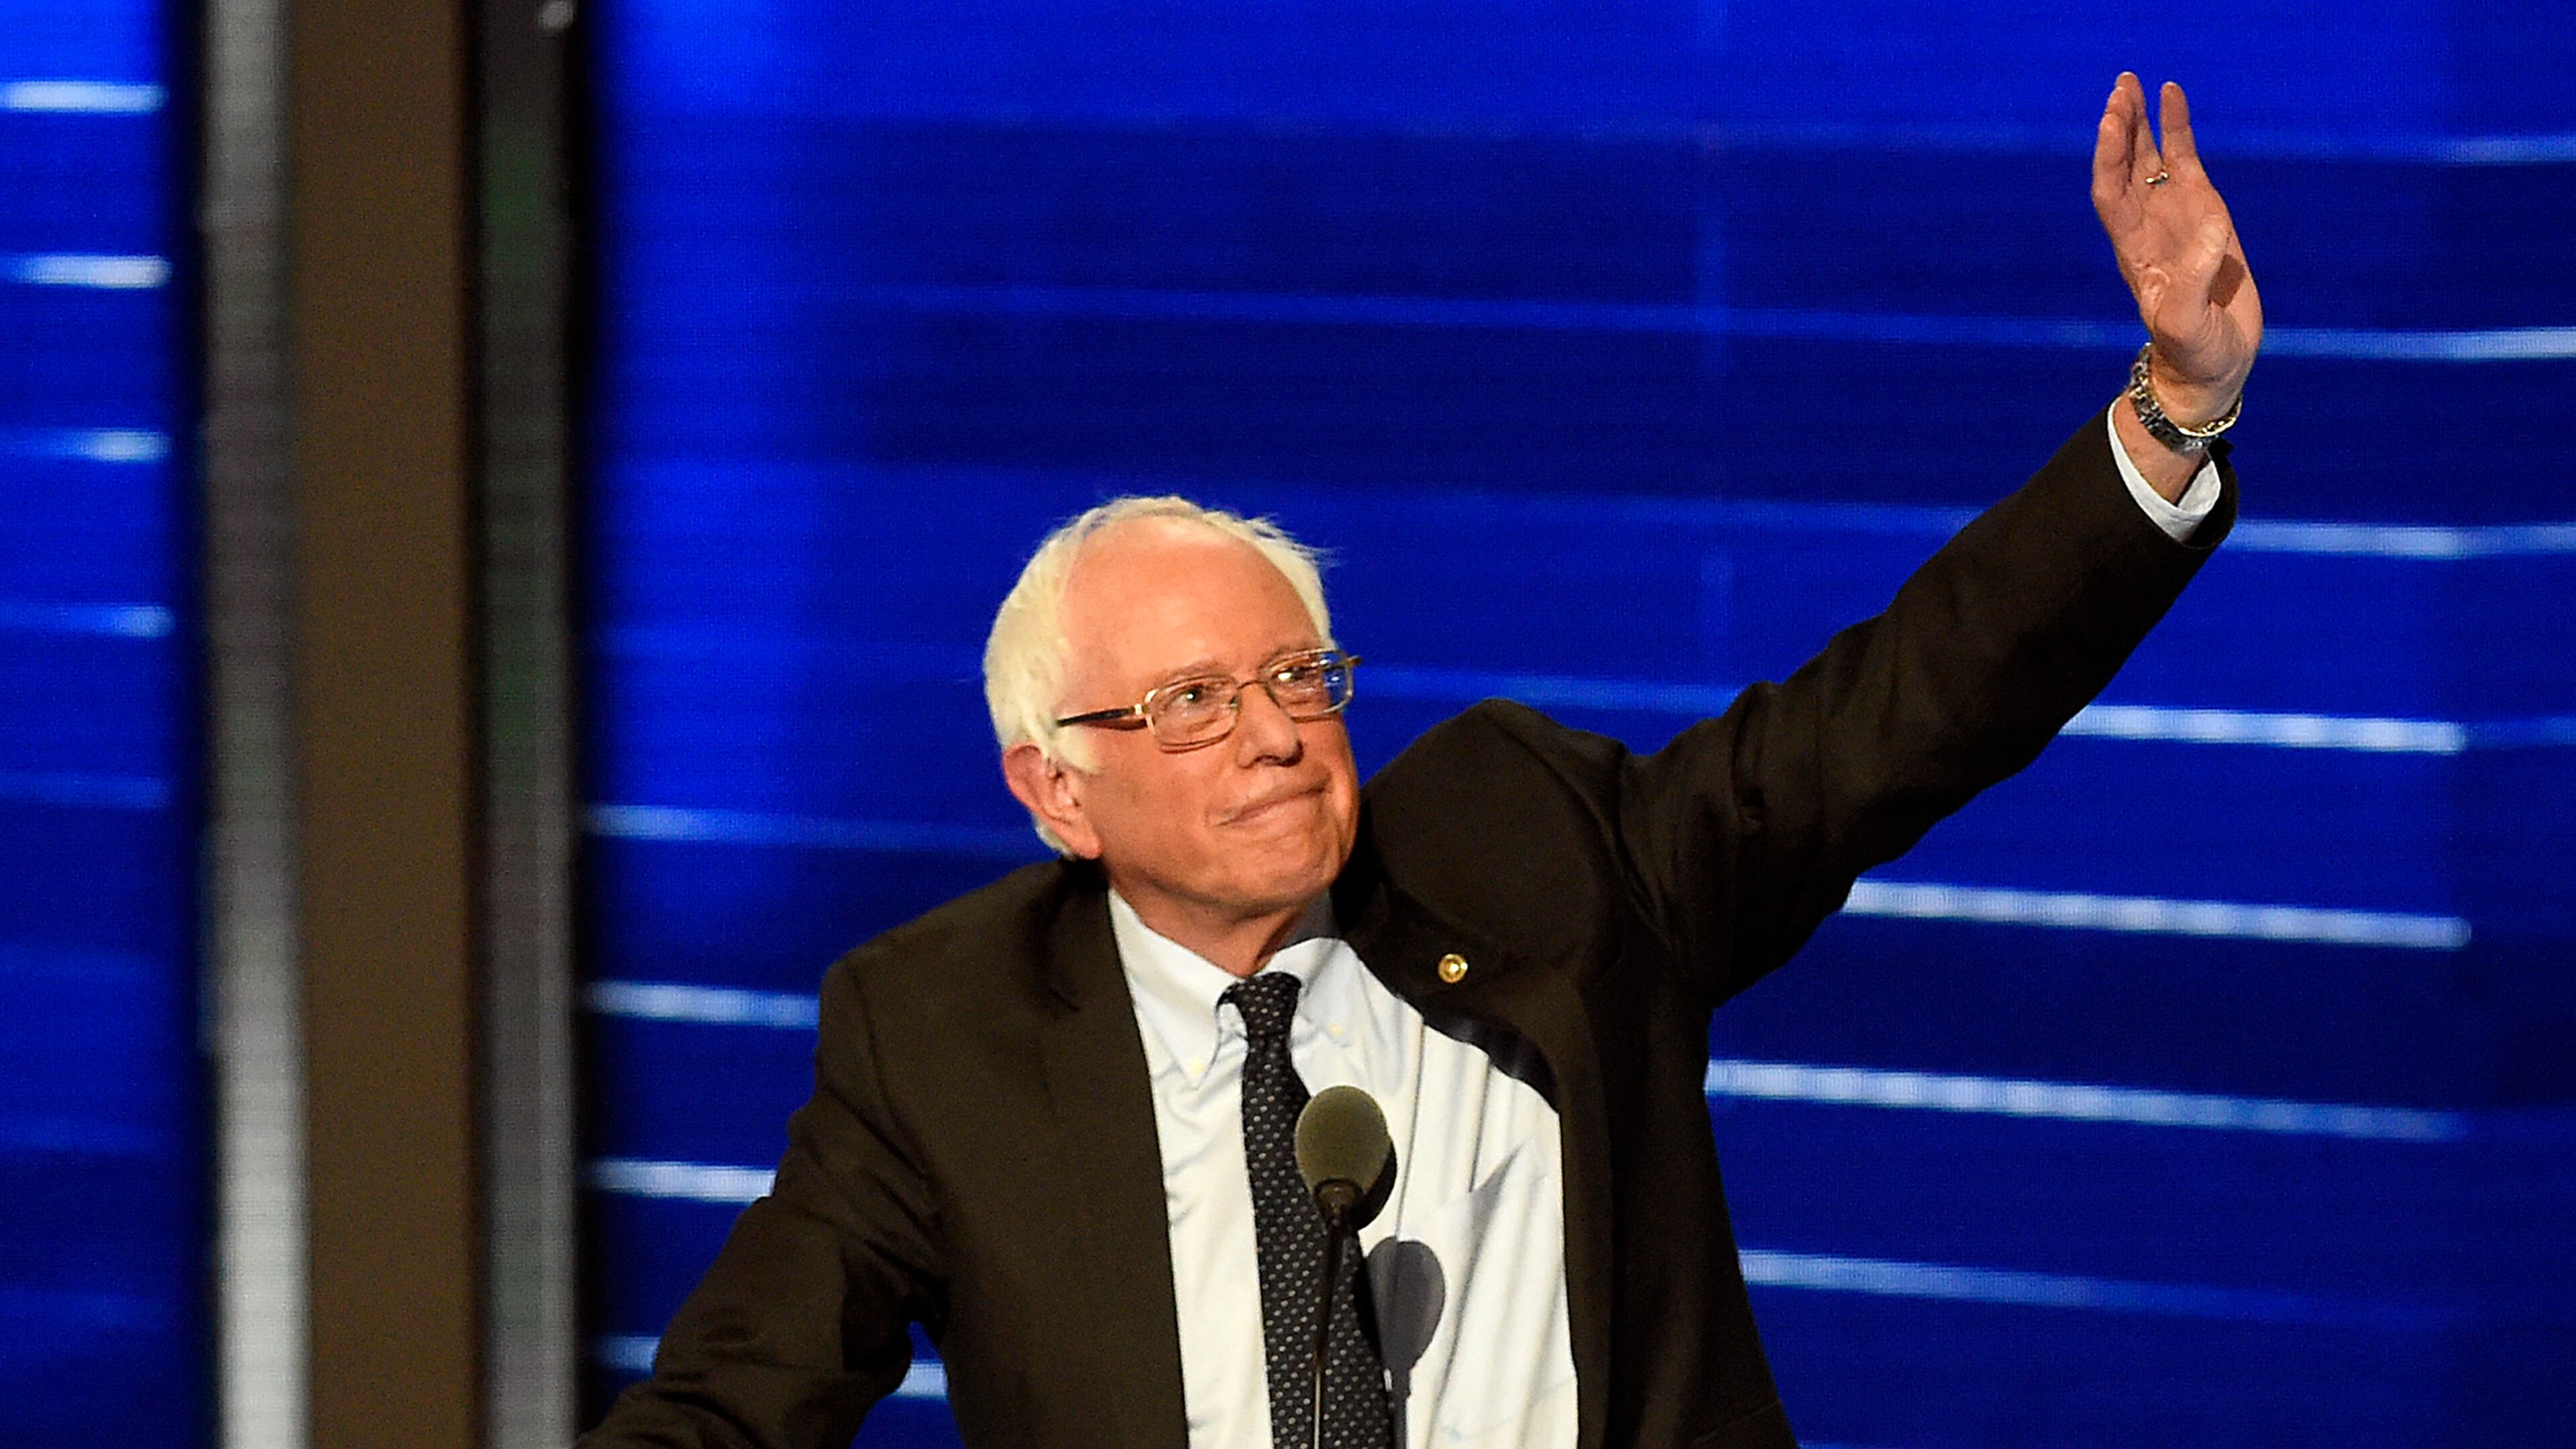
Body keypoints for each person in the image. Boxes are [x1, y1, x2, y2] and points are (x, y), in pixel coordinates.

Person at [582, 72, 2261, 1449]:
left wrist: (2170, 417)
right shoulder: (944, 1033)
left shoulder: (1534, 855)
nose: (1270, 731)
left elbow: (1893, 716)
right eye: (1187, 703)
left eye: (1297, 674)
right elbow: (738, 1405)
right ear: (1053, 791)